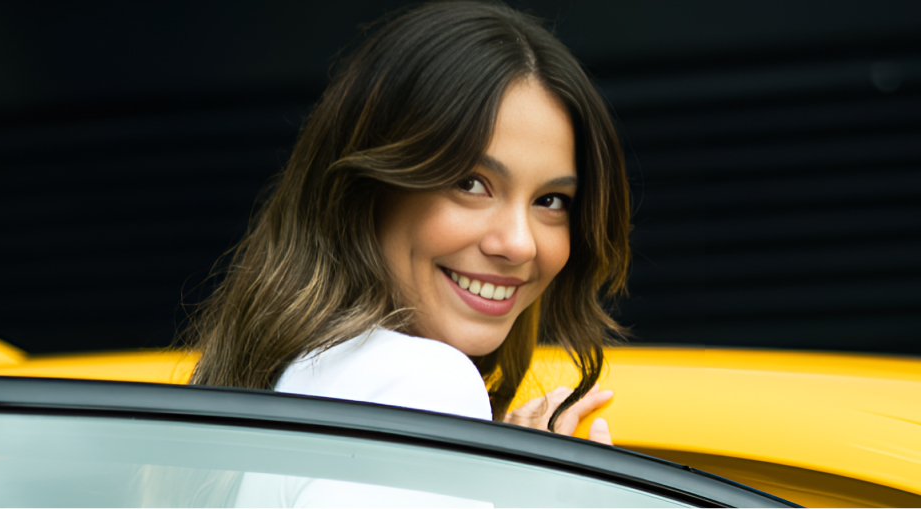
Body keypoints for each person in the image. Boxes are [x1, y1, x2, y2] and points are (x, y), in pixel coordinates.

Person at [183, 2, 630, 502]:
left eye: (551, 201)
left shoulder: (307, 379)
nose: (519, 243)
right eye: (471, 183)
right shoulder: (425, 385)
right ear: (369, 191)